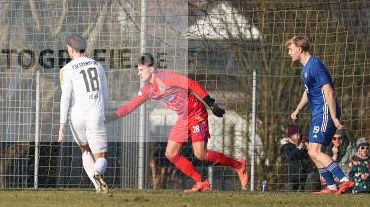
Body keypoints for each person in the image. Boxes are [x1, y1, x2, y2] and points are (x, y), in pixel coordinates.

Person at [107, 53, 248, 192]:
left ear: (151, 69)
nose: (139, 73)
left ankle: (238, 165)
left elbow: (191, 84)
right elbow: (130, 106)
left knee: (200, 154)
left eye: (141, 69)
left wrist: (211, 104)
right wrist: (112, 116)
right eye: (138, 70)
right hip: (183, 118)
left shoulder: (166, 77)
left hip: (197, 114)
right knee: (170, 153)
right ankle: (201, 182)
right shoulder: (147, 90)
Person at [286, 35, 354, 194]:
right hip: (317, 113)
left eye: (291, 49)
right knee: (312, 151)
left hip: (325, 111)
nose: (289, 53)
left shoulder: (315, 66)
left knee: (315, 151)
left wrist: (334, 117)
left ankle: (345, 180)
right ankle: (331, 187)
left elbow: (329, 92)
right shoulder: (305, 69)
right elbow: (308, 91)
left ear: (300, 49)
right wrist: (297, 109)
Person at [58, 34, 110, 193]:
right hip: (95, 114)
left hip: (76, 117)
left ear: (71, 49)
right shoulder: (97, 65)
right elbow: (105, 93)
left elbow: (65, 96)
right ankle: (97, 172)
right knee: (101, 157)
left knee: (85, 150)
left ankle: (97, 187)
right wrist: (105, 112)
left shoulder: (66, 69)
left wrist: (62, 124)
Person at [280, 124, 309, 191]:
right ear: (291, 135)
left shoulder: (296, 147)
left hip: (300, 177)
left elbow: (303, 157)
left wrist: (307, 149)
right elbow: (289, 157)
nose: (299, 137)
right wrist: (298, 148)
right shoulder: (286, 147)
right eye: (297, 135)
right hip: (291, 179)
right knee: (290, 195)